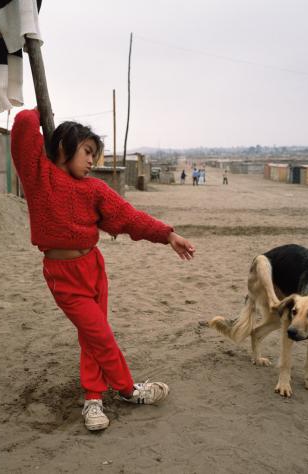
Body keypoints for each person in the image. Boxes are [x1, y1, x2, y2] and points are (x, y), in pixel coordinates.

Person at [10, 108, 196, 432]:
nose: (92, 161)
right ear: (65, 148)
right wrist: (42, 114)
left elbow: (129, 217)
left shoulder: (94, 190)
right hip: (63, 274)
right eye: (87, 152)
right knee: (101, 335)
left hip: (93, 269)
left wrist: (167, 235)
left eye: (94, 155)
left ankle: (93, 400)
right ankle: (128, 389)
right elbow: (23, 127)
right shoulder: (39, 177)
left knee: (91, 338)